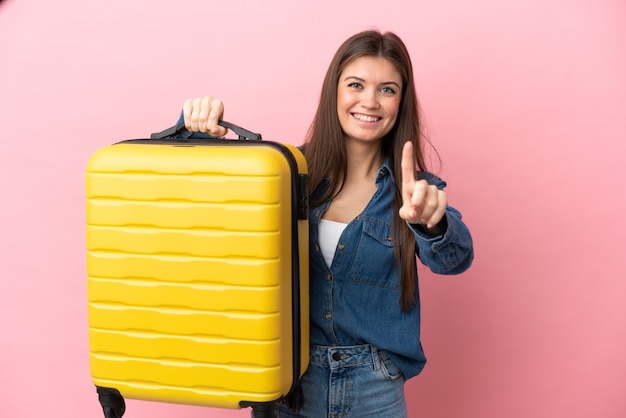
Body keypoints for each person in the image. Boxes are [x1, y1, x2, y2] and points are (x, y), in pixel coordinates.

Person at [179, 29, 474, 418]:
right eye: (356, 85)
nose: (370, 101)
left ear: (401, 102)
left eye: (387, 89)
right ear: (334, 91)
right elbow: (209, 206)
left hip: (375, 391)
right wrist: (194, 133)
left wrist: (430, 225)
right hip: (290, 386)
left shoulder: (415, 191)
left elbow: (455, 259)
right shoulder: (285, 173)